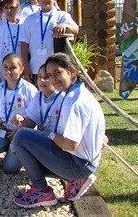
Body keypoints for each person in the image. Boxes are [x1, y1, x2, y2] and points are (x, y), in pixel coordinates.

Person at [12, 53, 106, 208]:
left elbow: (70, 145)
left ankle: (43, 192)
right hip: (89, 161)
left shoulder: (72, 101)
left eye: (57, 73)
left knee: (21, 137)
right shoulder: (80, 92)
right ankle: (76, 180)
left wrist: (47, 134)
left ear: (71, 71)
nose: (53, 79)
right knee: (25, 143)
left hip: (78, 164)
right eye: (50, 75)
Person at [0, 53, 37, 174]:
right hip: (4, 129)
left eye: (13, 67)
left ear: (22, 69)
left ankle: (18, 149)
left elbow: (35, 117)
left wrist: (20, 126)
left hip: (21, 132)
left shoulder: (29, 90)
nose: (9, 71)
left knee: (10, 169)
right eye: (5, 67)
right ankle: (9, 146)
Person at [20, 0, 79, 83]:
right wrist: (26, 66)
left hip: (55, 70)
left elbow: (76, 29)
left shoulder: (62, 16)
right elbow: (24, 44)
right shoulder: (30, 19)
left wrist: (65, 25)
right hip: (35, 68)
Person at [0, 0, 22, 80]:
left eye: (12, 7)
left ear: (18, 8)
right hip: (4, 68)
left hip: (20, 66)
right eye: (6, 7)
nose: (9, 10)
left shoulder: (23, 25)